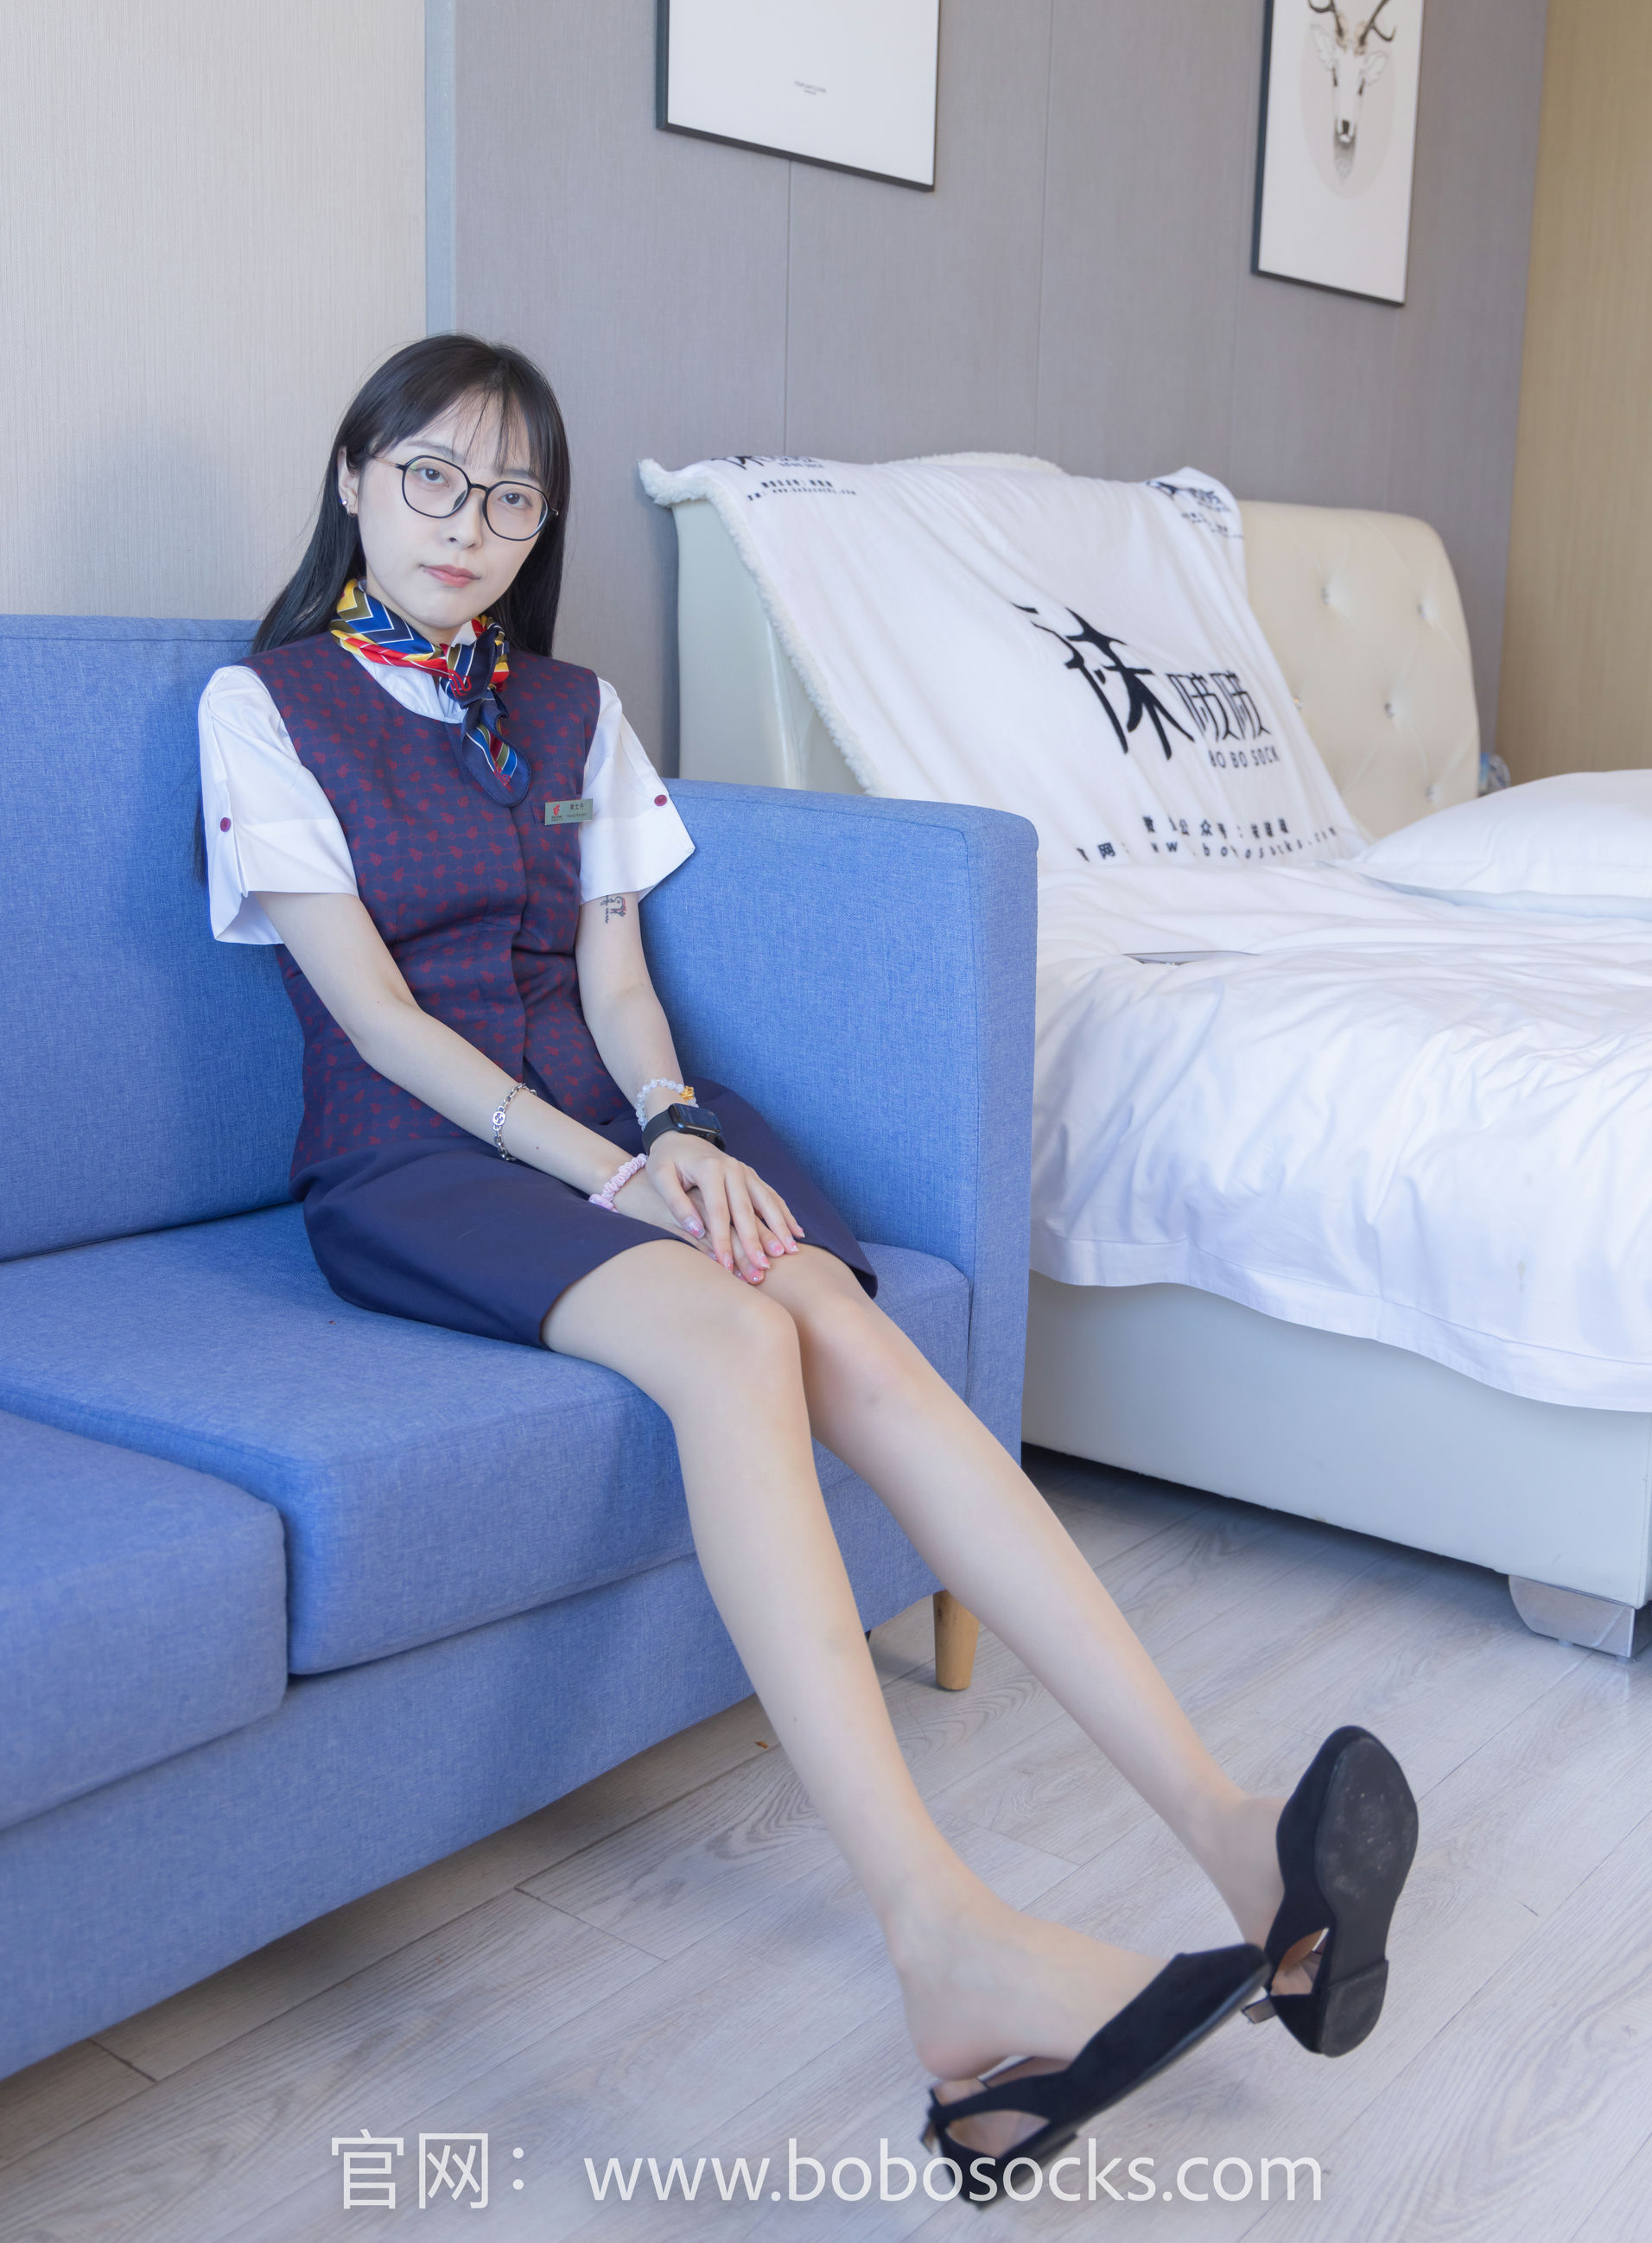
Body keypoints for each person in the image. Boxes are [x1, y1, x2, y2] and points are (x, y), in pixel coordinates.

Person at [198, 334, 1417, 2197]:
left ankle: (1237, 1839)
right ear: (355, 477)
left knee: (842, 1326)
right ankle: (945, 1941)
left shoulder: (571, 712)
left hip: (622, 1120)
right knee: (730, 1340)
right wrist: (620, 1177)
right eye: (431, 476)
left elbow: (612, 978)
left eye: (511, 496)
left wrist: (680, 1126)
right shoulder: (266, 705)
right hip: (420, 1158)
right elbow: (371, 1017)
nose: (468, 523)